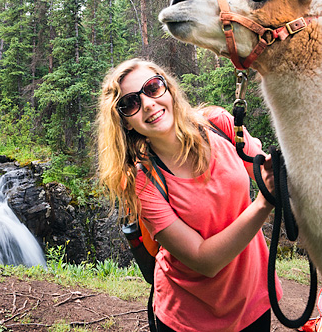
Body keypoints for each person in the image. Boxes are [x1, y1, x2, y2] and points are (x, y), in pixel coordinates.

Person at [96, 58, 282, 332]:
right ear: (125, 123)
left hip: (252, 299)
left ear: (168, 89)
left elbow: (267, 170)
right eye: (130, 104)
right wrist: (263, 203)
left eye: (152, 87)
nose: (147, 104)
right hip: (188, 319)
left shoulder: (220, 125)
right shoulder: (144, 183)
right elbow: (204, 260)